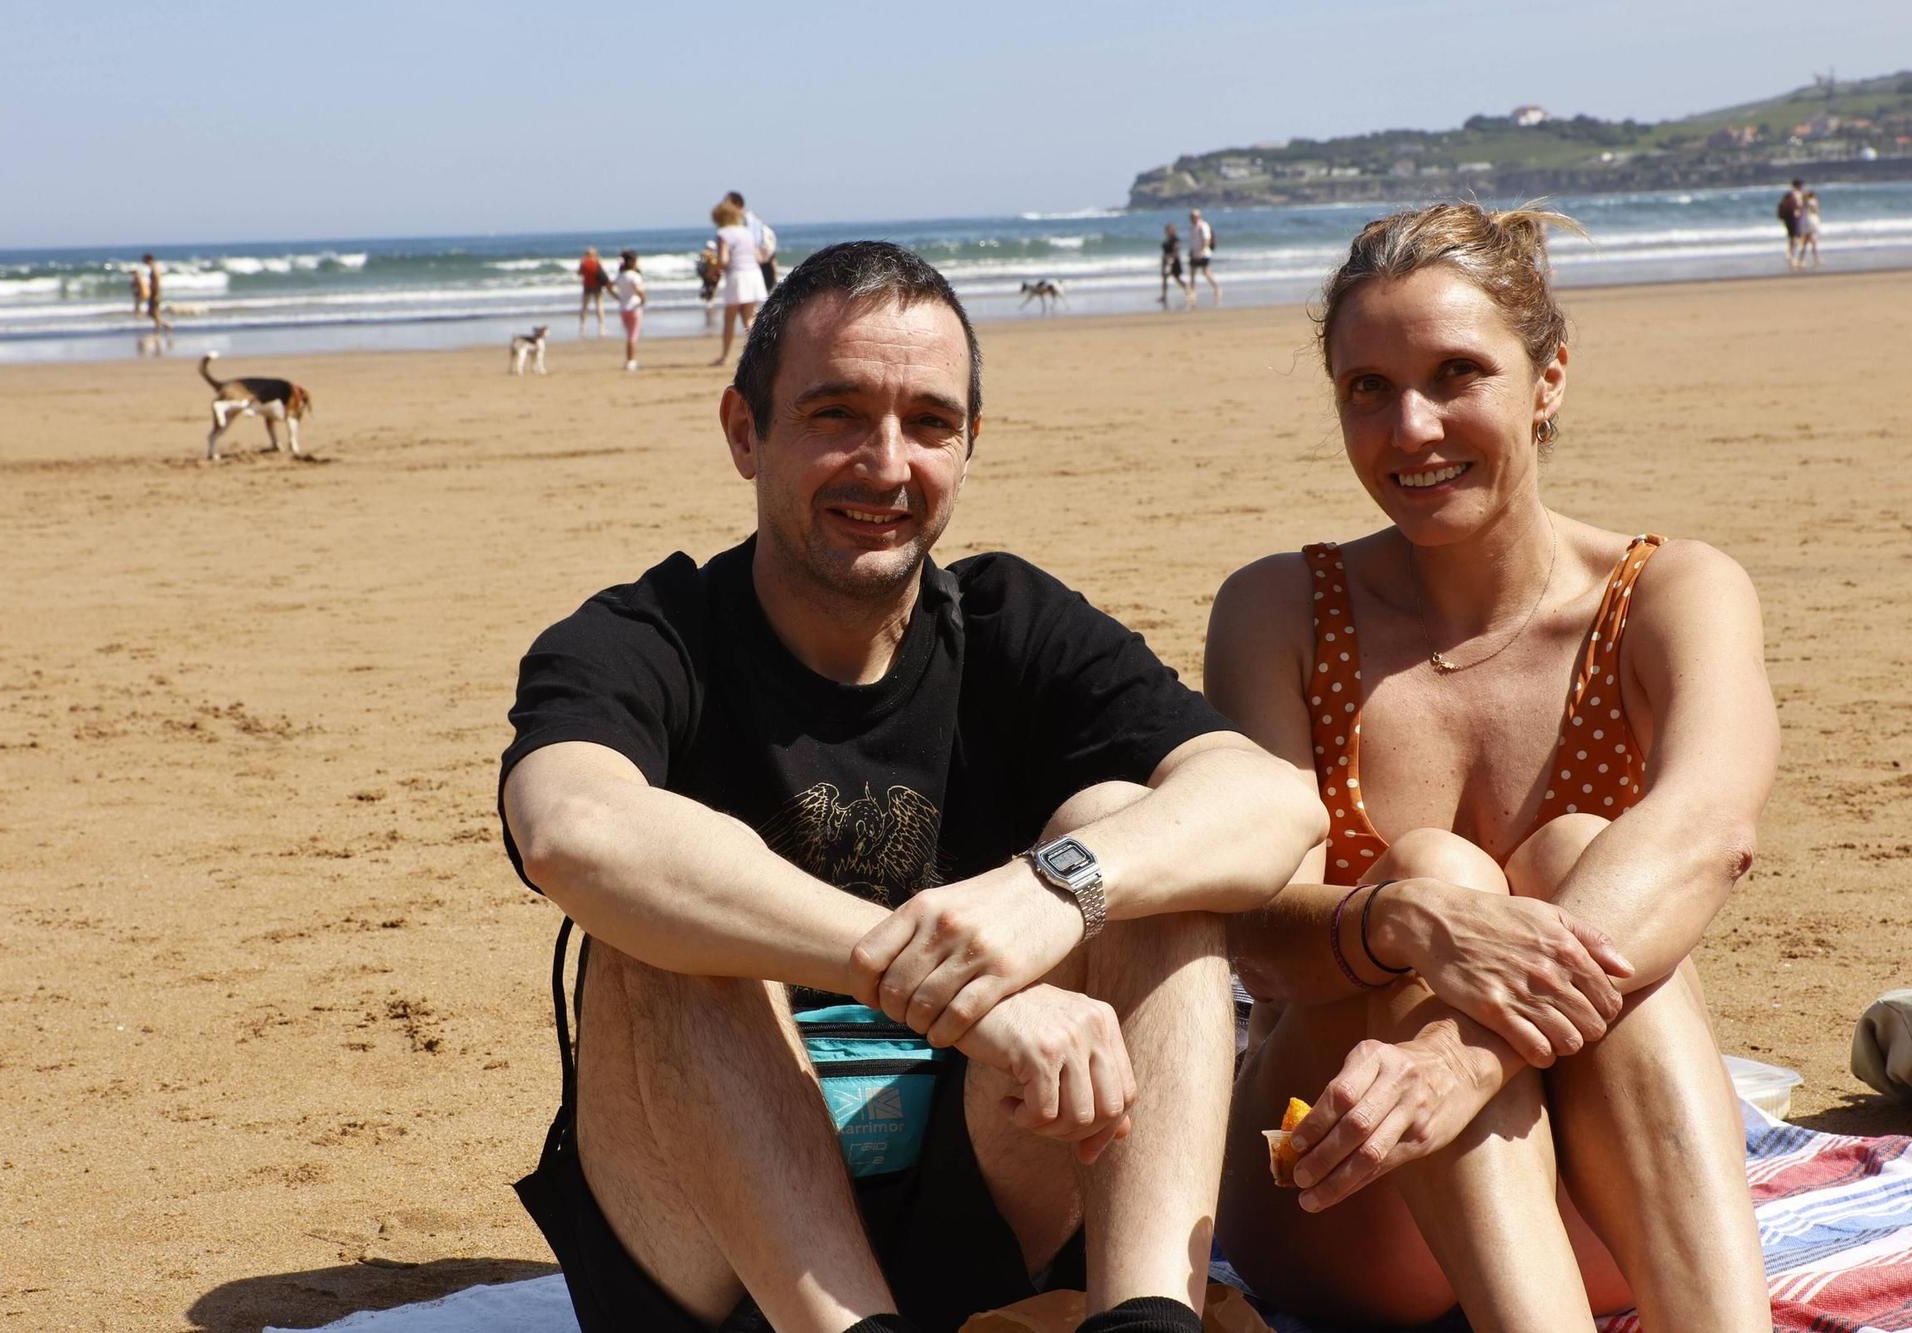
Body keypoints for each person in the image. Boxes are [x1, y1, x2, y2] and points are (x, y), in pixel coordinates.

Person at [498, 240, 1326, 1333]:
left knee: (1126, 837)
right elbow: (570, 828)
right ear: (745, 432)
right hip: (714, 1241)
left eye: (928, 423)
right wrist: (925, 982)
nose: (885, 464)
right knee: (665, 915)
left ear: (968, 445)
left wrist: (1053, 888)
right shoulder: (646, 638)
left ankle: (1144, 1319)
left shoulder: (1009, 624)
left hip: (985, 1194)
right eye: (835, 414)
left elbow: (1273, 803)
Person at [1206, 202, 1776, 1331]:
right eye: (1365, 388)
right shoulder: (1280, 608)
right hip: (1340, 1180)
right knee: (1429, 876)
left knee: (1576, 851)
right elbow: (1246, 925)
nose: (1409, 428)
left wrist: (1467, 1047)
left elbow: (1710, 826)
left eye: (1454, 374)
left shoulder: (1669, 591)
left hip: (1596, 1207)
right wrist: (1403, 925)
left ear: (1547, 377)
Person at [710, 198, 767, 367]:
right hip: (753, 275)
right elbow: (758, 256)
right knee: (749, 318)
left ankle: (725, 356)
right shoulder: (746, 232)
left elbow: (724, 260)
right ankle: (759, 354)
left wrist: (713, 267)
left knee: (729, 319)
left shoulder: (723, 234)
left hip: (737, 277)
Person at [728, 189, 778, 290]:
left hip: (752, 266)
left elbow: (754, 243)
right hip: (757, 263)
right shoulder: (752, 220)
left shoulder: (746, 222)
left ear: (736, 205)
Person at [612, 248, 645, 371]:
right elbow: (638, 289)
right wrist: (643, 299)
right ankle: (631, 361)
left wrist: (617, 297)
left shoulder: (621, 275)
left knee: (630, 335)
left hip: (623, 308)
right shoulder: (634, 276)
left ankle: (630, 360)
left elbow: (609, 286)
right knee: (633, 336)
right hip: (633, 307)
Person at [1186, 210, 1220, 308]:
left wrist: (1202, 250)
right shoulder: (1192, 227)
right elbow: (1193, 241)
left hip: (1204, 254)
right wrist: (1191, 251)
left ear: (1198, 216)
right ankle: (1193, 293)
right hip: (1194, 253)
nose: (1191, 218)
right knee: (1192, 273)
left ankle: (1216, 288)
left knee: (1206, 272)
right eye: (1191, 216)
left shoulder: (1203, 226)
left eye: (1193, 216)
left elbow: (1207, 239)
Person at [578, 247, 610, 337]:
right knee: (599, 306)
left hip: (587, 286)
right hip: (597, 286)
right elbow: (602, 273)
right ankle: (601, 327)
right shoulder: (597, 261)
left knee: (584, 307)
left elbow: (580, 273)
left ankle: (582, 326)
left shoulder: (583, 262)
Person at [1777, 180, 1806, 269]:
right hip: (1795, 218)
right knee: (1796, 238)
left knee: (1793, 238)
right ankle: (1792, 256)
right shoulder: (1797, 195)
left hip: (1789, 219)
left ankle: (1791, 256)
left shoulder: (1788, 195)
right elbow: (1800, 207)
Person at [1159, 224, 1189, 309]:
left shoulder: (1175, 239)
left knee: (1177, 278)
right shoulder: (1167, 239)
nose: (1167, 231)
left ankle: (1187, 289)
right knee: (1165, 279)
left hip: (1174, 261)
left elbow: (1177, 250)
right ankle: (1164, 296)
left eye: (1168, 230)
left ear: (1173, 231)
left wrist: (1171, 258)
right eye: (1166, 230)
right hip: (1166, 260)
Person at [696, 244, 722, 329]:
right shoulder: (708, 254)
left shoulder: (707, 254)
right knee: (710, 289)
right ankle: (709, 304)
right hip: (710, 275)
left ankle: (709, 304)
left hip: (711, 275)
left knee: (710, 289)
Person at [1798, 190, 1822, 268]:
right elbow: (1816, 211)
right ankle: (1814, 259)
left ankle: (1802, 260)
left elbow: (1800, 213)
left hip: (1805, 224)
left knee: (1807, 242)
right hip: (1811, 224)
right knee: (1811, 242)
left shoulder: (1803, 203)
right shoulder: (1812, 202)